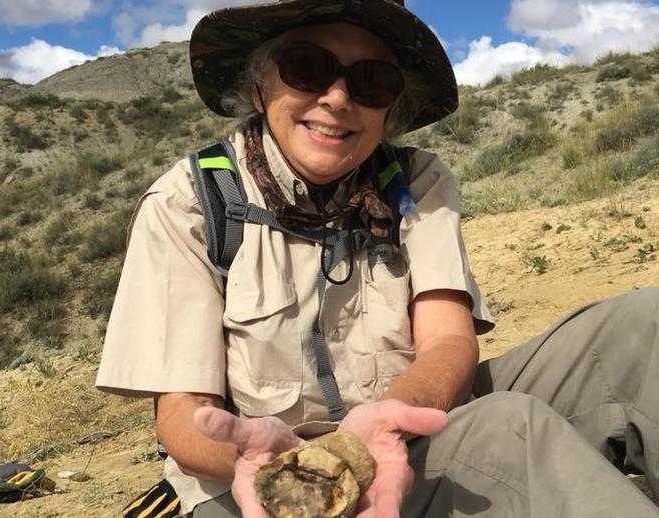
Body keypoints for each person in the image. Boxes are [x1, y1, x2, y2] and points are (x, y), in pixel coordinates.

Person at [96, 1, 659, 516]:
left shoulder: (414, 181)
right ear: (259, 88)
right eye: (307, 67)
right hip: (261, 477)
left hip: (407, 425)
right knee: (508, 428)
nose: (338, 98)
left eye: (371, 80)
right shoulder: (189, 203)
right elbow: (181, 416)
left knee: (644, 325)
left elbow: (447, 341)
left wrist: (387, 422)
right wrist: (276, 465)